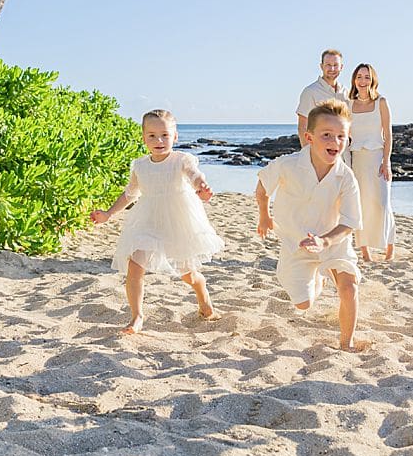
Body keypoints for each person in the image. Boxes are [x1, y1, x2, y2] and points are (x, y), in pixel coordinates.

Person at [90, 109, 224, 334]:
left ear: (175, 136)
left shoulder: (182, 159)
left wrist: (202, 187)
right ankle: (137, 316)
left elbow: (195, 175)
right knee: (135, 265)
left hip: (178, 220)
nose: (159, 140)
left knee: (188, 274)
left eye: (164, 134)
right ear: (143, 137)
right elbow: (130, 194)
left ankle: (204, 301)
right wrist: (108, 214)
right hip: (148, 220)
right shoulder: (140, 165)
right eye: (151, 135)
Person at [255, 99, 367, 352]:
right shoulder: (287, 164)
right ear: (309, 137)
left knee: (349, 287)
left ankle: (346, 342)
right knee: (303, 304)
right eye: (327, 135)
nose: (335, 142)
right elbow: (262, 188)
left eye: (341, 136)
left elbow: (350, 222)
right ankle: (318, 280)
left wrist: (325, 241)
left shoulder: (346, 177)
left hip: (332, 240)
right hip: (296, 243)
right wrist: (264, 216)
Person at [347, 62, 395, 262]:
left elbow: (389, 135)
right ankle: (365, 251)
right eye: (359, 77)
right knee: (361, 205)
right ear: (354, 80)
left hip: (377, 160)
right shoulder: (348, 105)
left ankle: (389, 247)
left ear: (373, 79)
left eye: (367, 77)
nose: (363, 81)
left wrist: (387, 162)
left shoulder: (381, 102)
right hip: (357, 160)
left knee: (382, 204)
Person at [295, 49, 349, 146]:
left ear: (341, 67)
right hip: (321, 152)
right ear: (321, 66)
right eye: (328, 65)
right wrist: (308, 154)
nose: (332, 69)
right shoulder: (310, 92)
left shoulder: (346, 93)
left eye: (335, 65)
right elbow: (302, 126)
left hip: (345, 153)